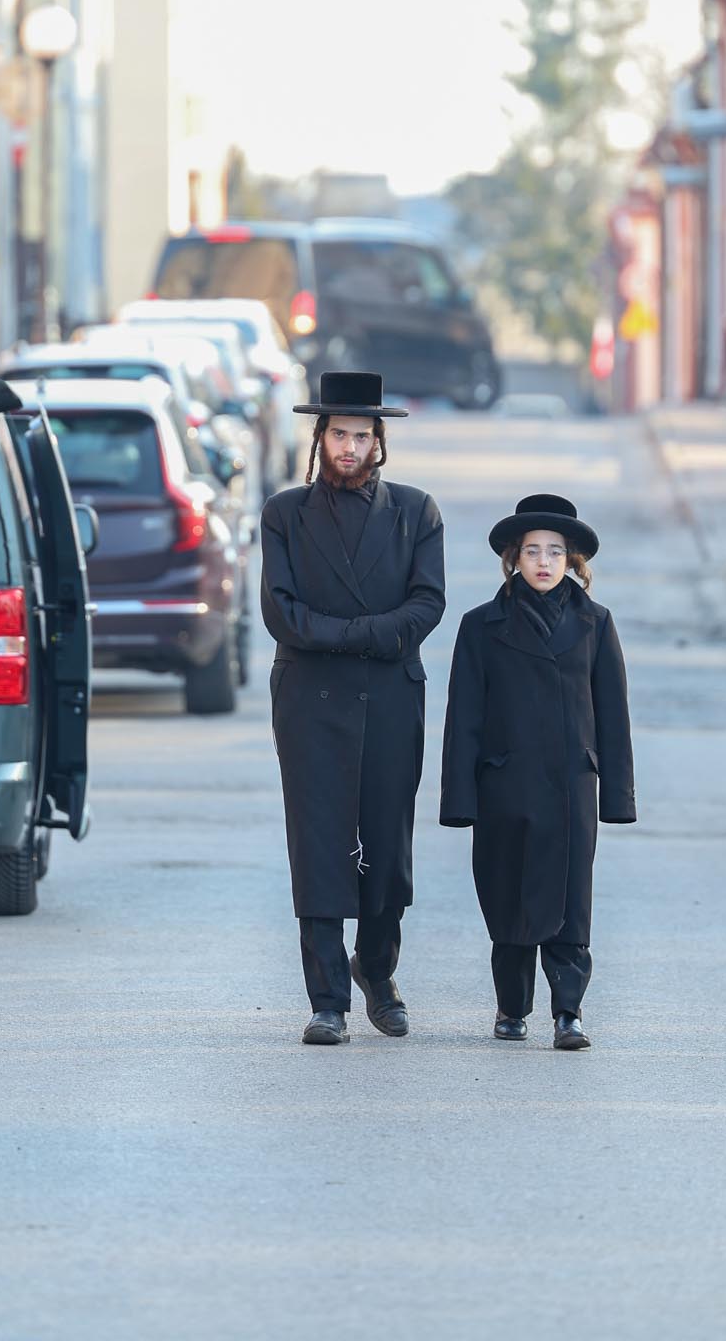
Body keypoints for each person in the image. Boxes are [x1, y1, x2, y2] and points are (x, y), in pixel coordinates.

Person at [261, 370, 445, 1046]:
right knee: (317, 843)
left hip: (393, 700)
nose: (348, 447)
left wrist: (342, 637)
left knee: (386, 845)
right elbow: (280, 612)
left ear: (378, 443)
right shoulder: (284, 513)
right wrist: (370, 636)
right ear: (319, 437)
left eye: (361, 436)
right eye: (338, 433)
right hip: (309, 703)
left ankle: (378, 970)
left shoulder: (416, 511)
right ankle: (327, 999)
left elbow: (427, 604)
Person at [440, 493, 636, 1050]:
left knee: (573, 900)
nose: (544, 562)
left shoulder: (596, 624)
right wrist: (459, 798)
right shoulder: (481, 626)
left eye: (555, 552)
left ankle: (568, 1011)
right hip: (504, 785)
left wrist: (616, 795)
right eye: (532, 551)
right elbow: (464, 716)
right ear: (514, 560)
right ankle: (511, 1006)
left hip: (573, 784)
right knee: (507, 896)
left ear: (573, 561)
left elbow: (613, 713)